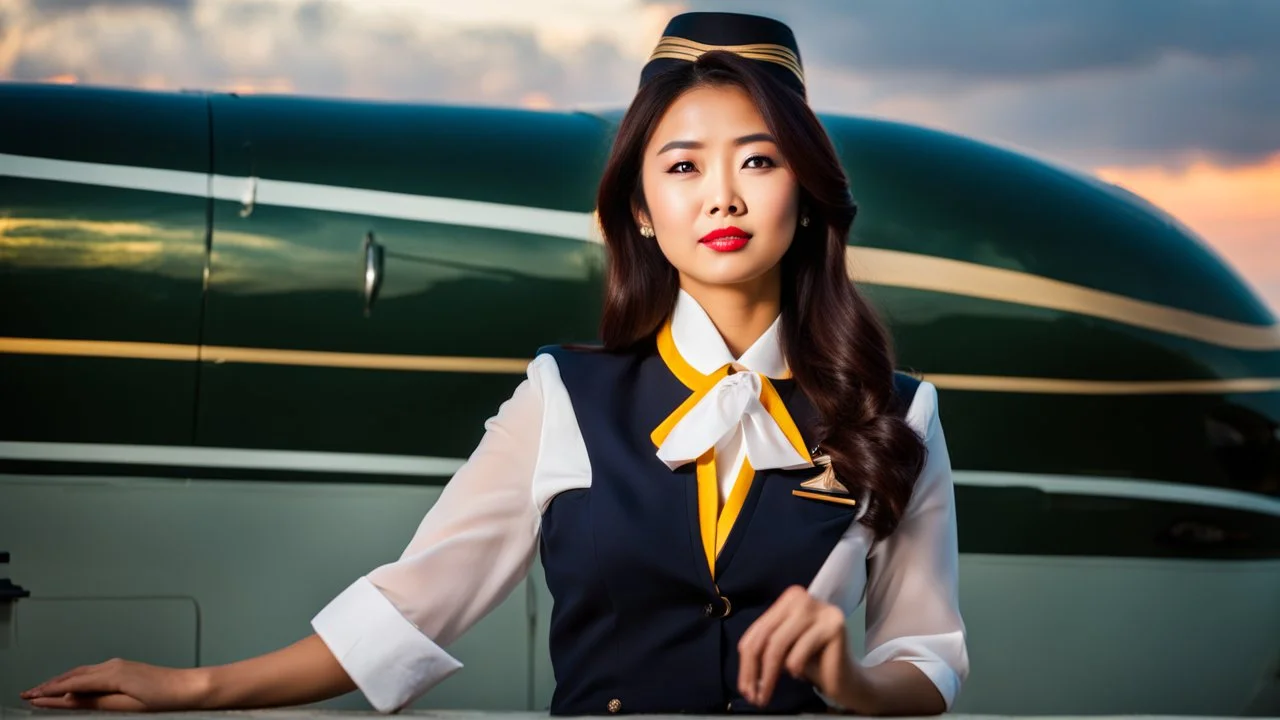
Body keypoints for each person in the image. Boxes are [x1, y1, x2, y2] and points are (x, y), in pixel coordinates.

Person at [21, 11, 967, 716]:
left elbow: (929, 661)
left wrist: (850, 680)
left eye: (758, 162)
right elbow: (416, 603)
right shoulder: (566, 394)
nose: (720, 194)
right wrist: (192, 686)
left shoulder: (900, 415)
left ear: (806, 190)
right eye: (682, 166)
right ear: (639, 208)